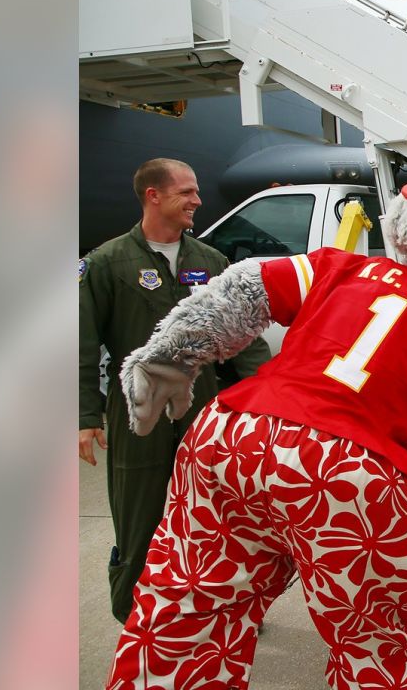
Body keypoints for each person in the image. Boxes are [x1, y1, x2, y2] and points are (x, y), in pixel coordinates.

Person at [104, 136, 407, 690]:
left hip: (232, 439)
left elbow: (245, 288)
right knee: (377, 644)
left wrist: (173, 354)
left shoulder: (342, 268)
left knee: (191, 607)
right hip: (345, 476)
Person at [78, 157, 271, 623]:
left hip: (201, 409)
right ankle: (135, 614)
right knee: (138, 514)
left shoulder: (211, 261)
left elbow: (245, 338)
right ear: (154, 196)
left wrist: (268, 397)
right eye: (187, 192)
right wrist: (84, 417)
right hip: (135, 413)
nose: (197, 201)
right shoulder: (105, 264)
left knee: (214, 515)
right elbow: (79, 344)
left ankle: (221, 605)